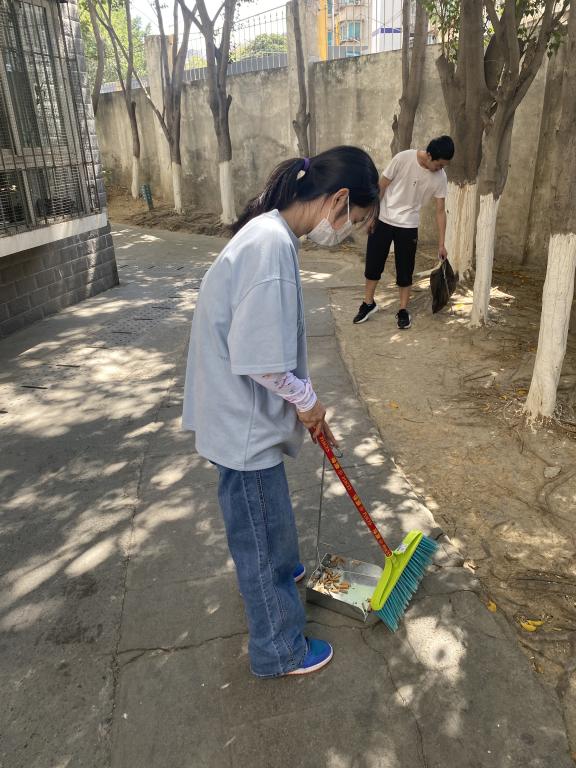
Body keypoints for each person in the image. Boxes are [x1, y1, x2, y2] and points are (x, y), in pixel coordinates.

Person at [182, 147, 380, 678]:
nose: (348, 231)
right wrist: (307, 402)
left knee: (268, 518)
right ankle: (278, 649)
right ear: (338, 199)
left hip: (238, 413)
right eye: (356, 219)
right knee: (259, 536)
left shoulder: (272, 233)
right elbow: (259, 360)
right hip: (241, 423)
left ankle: (283, 574)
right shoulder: (270, 245)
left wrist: (303, 399)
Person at [353, 134, 454, 329]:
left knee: (405, 271)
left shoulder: (440, 177)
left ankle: (402, 310)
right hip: (384, 218)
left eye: (444, 166)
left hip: (408, 225)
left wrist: (442, 243)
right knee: (373, 265)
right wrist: (373, 216)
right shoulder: (403, 158)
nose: (440, 169)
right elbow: (382, 186)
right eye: (439, 164)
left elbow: (440, 211)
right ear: (430, 155)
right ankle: (368, 303)